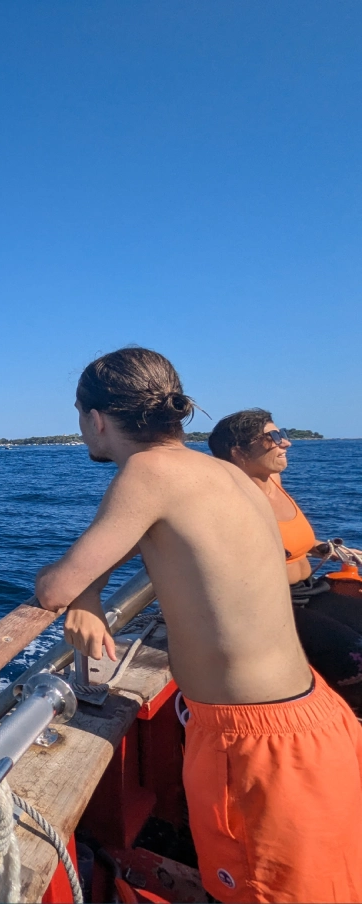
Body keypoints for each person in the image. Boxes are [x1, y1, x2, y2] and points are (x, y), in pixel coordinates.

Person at [34, 347, 362, 903]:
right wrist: (88, 594)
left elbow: (54, 586)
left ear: (94, 418)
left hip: (253, 742)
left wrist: (77, 594)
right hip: (310, 716)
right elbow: (112, 558)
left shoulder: (146, 474)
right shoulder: (219, 473)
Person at [208, 408, 362, 711]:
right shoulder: (230, 499)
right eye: (273, 437)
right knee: (356, 658)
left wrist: (325, 548)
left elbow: (290, 541)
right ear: (238, 451)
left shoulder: (273, 480)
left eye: (283, 434)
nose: (286, 442)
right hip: (274, 607)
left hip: (312, 591)